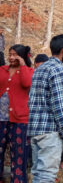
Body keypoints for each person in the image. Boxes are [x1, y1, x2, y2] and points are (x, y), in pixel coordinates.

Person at [28, 34, 63, 182]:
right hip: (49, 132)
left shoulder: (40, 69)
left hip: (35, 131)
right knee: (47, 177)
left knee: (38, 174)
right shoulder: (57, 68)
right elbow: (59, 105)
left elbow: (31, 100)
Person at [0, 44, 34, 183]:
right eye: (10, 54)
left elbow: (26, 84)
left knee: (19, 154)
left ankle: (18, 180)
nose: (11, 57)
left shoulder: (29, 71)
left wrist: (23, 65)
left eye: (15, 54)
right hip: (1, 119)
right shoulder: (2, 69)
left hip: (19, 120)